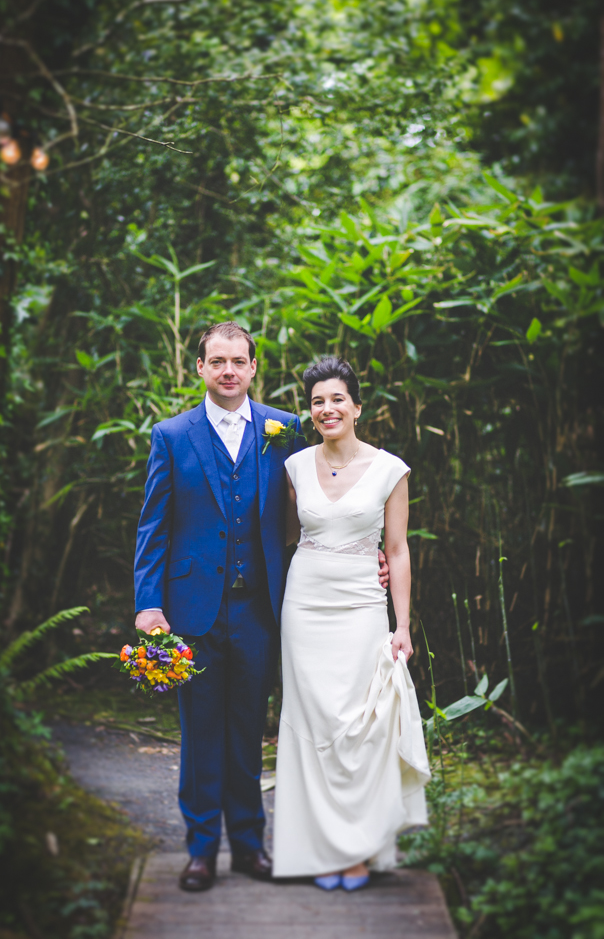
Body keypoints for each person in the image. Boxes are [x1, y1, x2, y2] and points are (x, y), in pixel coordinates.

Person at [133, 324, 389, 892]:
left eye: (238, 361)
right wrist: (149, 605)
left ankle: (250, 846)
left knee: (249, 731)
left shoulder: (286, 431)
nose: (228, 370)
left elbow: (325, 497)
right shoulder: (172, 436)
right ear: (198, 367)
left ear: (253, 368)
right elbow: (154, 526)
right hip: (191, 611)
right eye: (216, 361)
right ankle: (201, 852)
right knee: (200, 735)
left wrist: (366, 550)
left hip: (263, 611)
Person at [272, 356, 430, 891]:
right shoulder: (293, 466)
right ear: (309, 411)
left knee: (359, 724)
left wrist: (401, 625)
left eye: (337, 398)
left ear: (357, 407)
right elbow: (288, 537)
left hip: (364, 605)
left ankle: (359, 849)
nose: (327, 408)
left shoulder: (391, 469)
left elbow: (398, 550)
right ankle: (317, 848)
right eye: (317, 401)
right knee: (311, 721)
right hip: (306, 605)